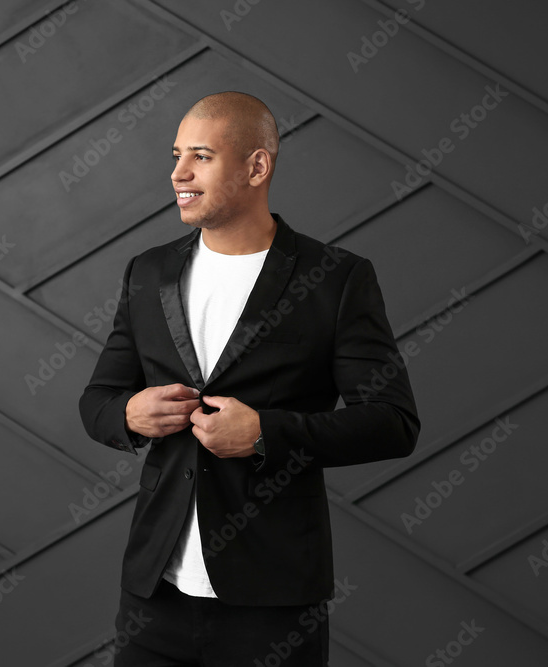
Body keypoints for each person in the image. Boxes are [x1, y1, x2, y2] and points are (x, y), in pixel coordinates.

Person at [79, 91, 419, 666]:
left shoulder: (336, 279)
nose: (178, 174)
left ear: (257, 166)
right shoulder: (148, 271)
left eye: (201, 156)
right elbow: (98, 401)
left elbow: (394, 423)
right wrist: (129, 415)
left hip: (274, 601)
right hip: (153, 595)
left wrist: (265, 434)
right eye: (176, 156)